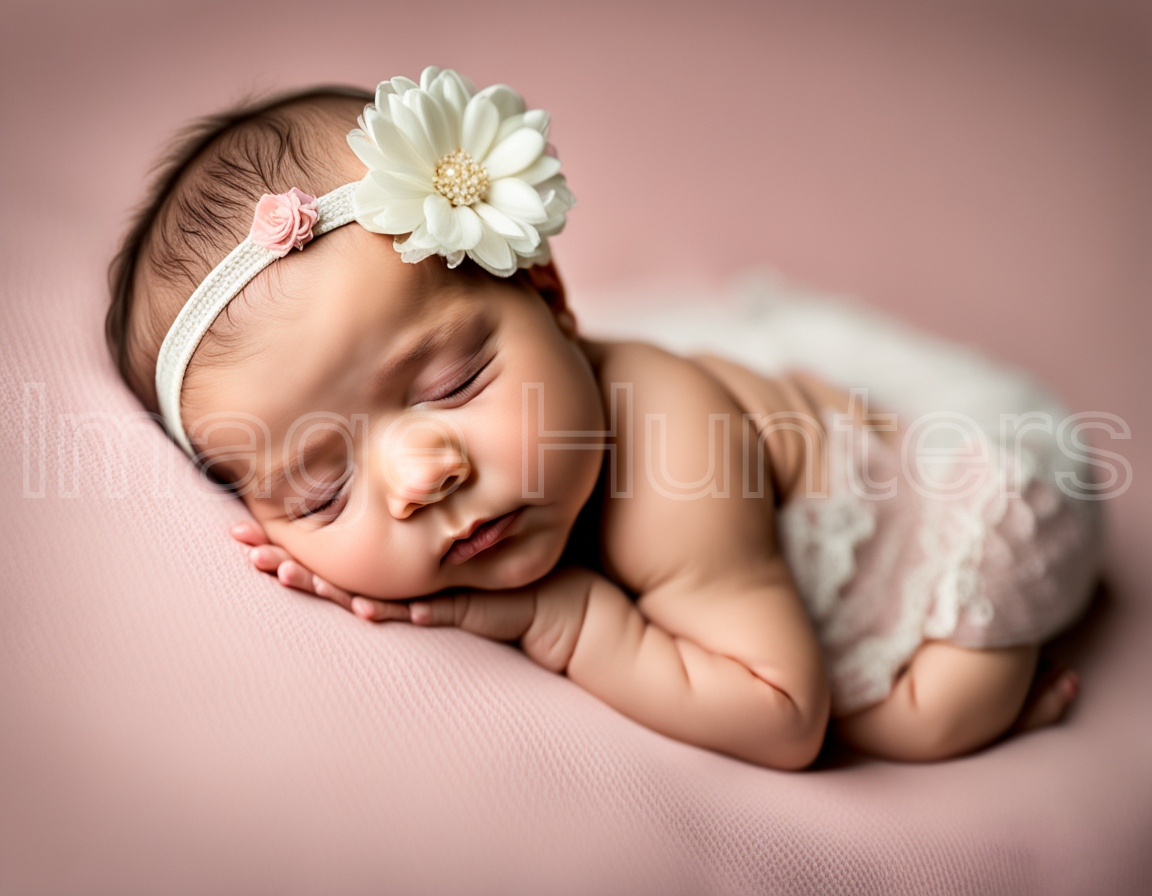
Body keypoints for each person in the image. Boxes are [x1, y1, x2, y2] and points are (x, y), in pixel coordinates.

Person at [105, 67, 1101, 769]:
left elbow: (787, 714)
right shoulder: (505, 456)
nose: (421, 474)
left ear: (549, 292)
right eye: (320, 486)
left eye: (452, 384)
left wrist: (567, 618)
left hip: (928, 517)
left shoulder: (672, 461)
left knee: (918, 722)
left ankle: (1008, 675)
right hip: (744, 511)